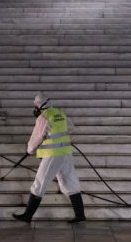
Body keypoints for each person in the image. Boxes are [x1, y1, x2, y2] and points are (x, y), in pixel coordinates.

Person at [13, 93, 86, 223]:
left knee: (39, 184)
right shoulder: (60, 113)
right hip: (65, 153)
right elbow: (71, 127)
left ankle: (27, 216)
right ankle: (80, 216)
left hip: (53, 155)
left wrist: (30, 150)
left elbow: (36, 138)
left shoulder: (43, 118)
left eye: (35, 105)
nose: (35, 108)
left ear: (40, 105)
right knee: (70, 183)